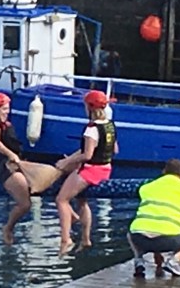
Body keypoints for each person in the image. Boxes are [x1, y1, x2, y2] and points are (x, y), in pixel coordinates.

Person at [55, 90, 118, 256]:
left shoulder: (91, 129)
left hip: (91, 170)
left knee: (62, 200)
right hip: (106, 168)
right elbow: (115, 149)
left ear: (89, 107)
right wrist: (71, 159)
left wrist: (66, 162)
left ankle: (66, 239)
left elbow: (87, 155)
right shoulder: (110, 125)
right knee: (81, 199)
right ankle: (85, 238)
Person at [128, 159, 180, 278]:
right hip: (168, 240)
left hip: (139, 239)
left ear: (163, 171)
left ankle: (138, 260)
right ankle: (174, 260)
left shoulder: (147, 186)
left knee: (134, 228)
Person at [0, 92, 30, 245]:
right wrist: (10, 155)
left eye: (8, 108)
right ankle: (8, 228)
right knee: (25, 204)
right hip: (4, 166)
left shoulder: (3, 123)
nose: (7, 112)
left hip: (11, 162)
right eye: (4, 109)